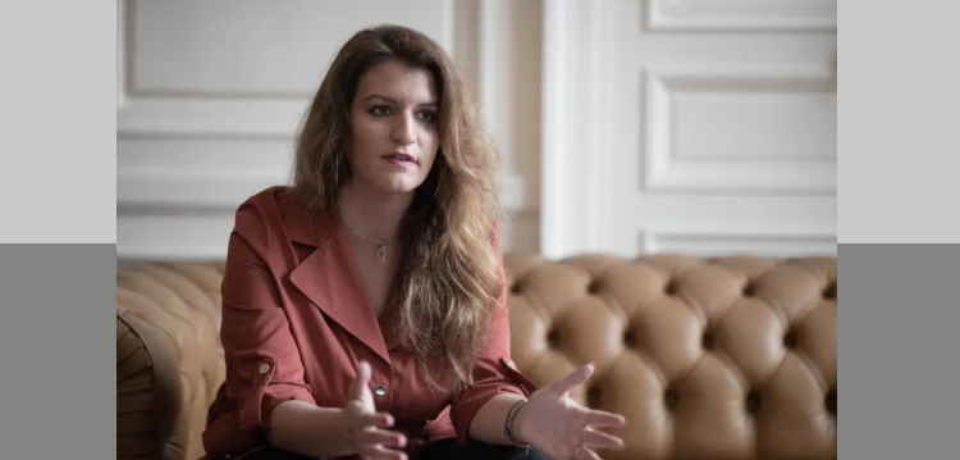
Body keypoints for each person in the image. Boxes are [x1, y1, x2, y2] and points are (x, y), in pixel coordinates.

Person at [202, 25, 627, 460]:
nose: (406, 133)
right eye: (380, 110)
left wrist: (523, 419)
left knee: (524, 455)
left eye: (426, 115)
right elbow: (274, 399)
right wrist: (345, 433)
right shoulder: (268, 226)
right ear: (341, 123)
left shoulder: (470, 233)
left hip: (427, 450)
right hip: (307, 449)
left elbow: (481, 386)